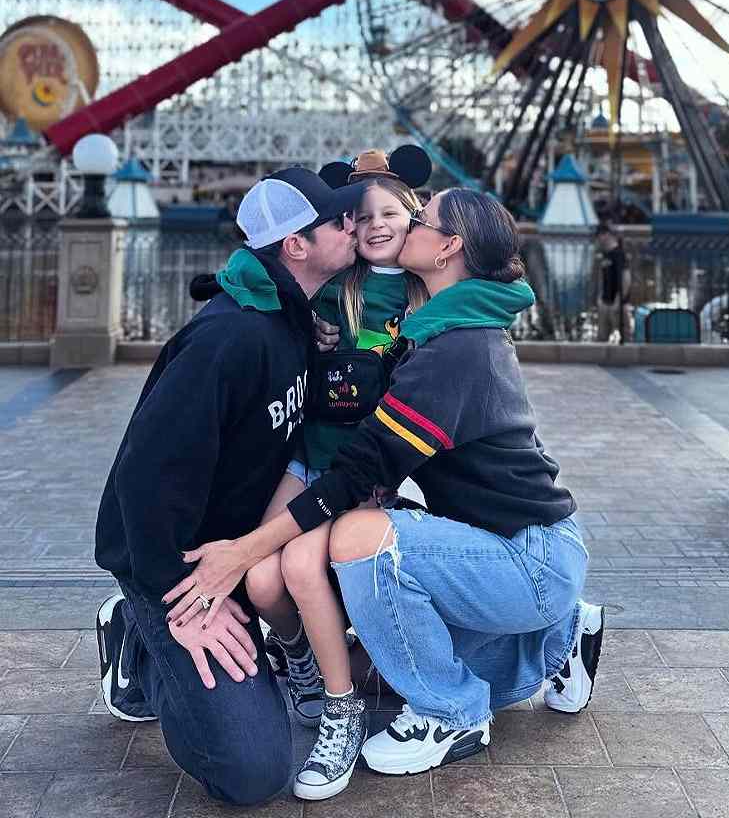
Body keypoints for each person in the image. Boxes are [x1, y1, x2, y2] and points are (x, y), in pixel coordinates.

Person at [159, 188, 605, 781]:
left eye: (420, 220)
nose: (407, 225)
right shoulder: (448, 328)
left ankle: (452, 715)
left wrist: (242, 552)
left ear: (448, 248)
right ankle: (561, 635)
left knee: (359, 539)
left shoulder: (457, 349)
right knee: (371, 664)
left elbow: (356, 473)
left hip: (529, 560)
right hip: (515, 542)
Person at [93, 167, 360, 805]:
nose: (352, 225)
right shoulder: (227, 338)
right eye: (337, 220)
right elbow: (141, 478)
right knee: (251, 774)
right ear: (296, 245)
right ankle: (139, 633)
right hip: (177, 566)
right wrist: (177, 603)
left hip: (232, 550)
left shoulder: (291, 319)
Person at [240, 148, 434, 800]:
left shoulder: (423, 297)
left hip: (368, 472)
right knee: (260, 578)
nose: (373, 225)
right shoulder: (335, 287)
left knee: (298, 567)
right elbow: (277, 298)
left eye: (388, 214)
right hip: (310, 456)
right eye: (360, 216)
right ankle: (302, 658)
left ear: (413, 216)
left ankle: (341, 706)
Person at [596, 221, 631, 343]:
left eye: (599, 236)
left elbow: (626, 278)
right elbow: (603, 277)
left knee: (625, 337)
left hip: (618, 303)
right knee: (601, 337)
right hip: (605, 302)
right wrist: (600, 297)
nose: (598, 240)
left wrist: (619, 299)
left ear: (606, 235)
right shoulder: (605, 254)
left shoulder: (619, 254)